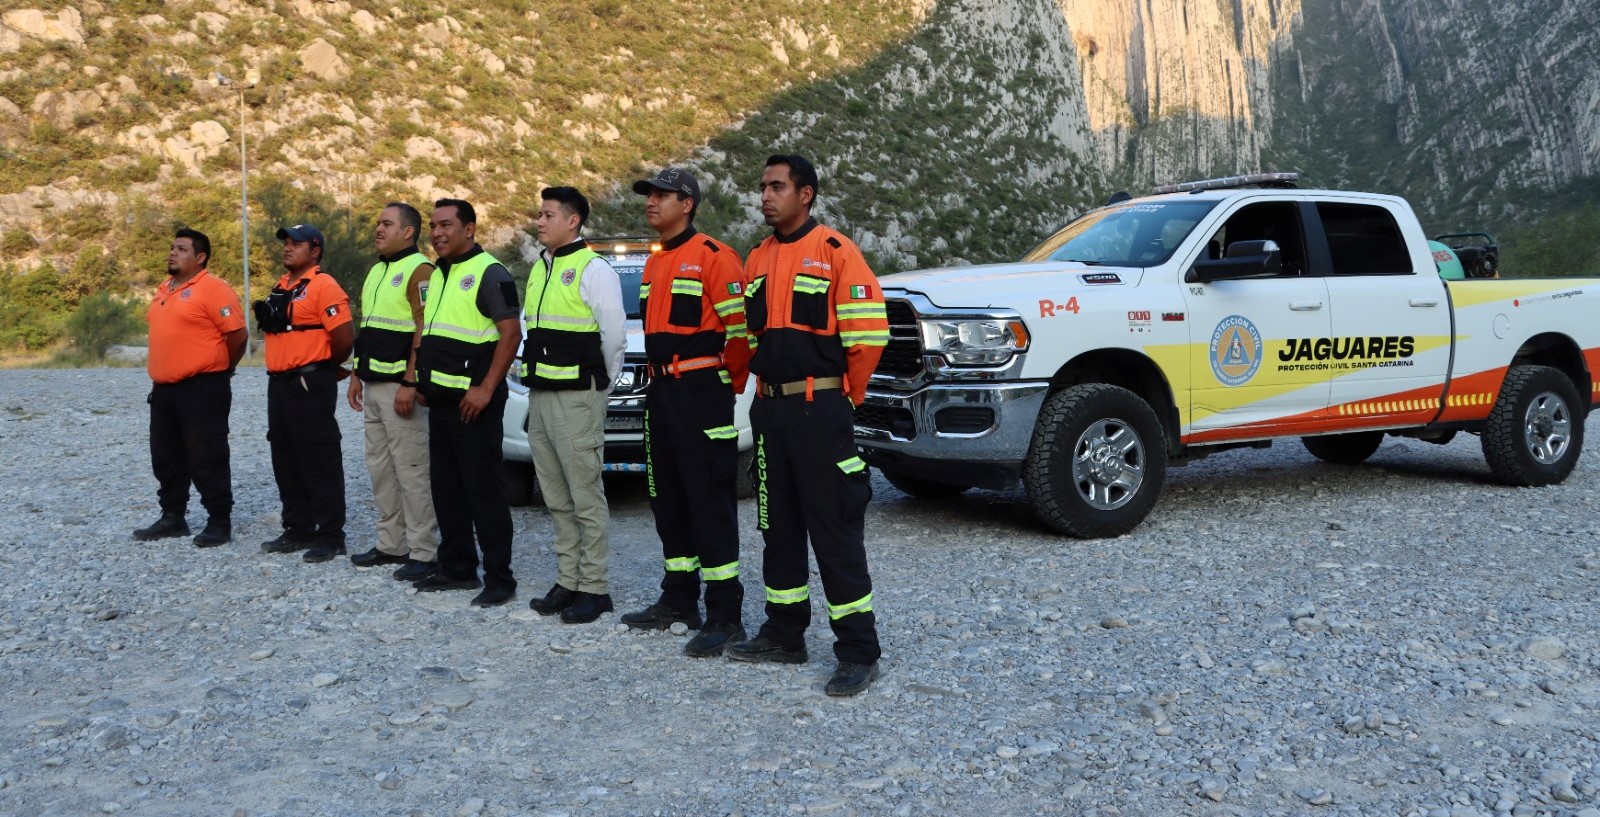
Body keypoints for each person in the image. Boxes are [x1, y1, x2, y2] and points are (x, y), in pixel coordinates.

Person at [725, 154, 890, 696]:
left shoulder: (836, 253)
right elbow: (748, 340)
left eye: (777, 186)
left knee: (834, 528)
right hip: (770, 411)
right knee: (778, 527)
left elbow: (867, 338)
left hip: (819, 412)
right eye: (762, 186)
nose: (765, 196)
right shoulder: (758, 258)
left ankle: (858, 651)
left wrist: (840, 399)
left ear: (807, 195)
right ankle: (784, 634)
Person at [619, 167, 751, 656]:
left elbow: (740, 335)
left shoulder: (715, 257)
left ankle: (724, 614)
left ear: (688, 203)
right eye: (649, 195)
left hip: (701, 391)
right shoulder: (655, 263)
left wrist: (724, 386)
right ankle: (679, 600)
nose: (651, 202)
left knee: (709, 501)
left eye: (662, 195)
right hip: (662, 393)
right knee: (667, 498)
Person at [522, 186, 626, 624]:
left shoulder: (592, 268)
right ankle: (568, 581)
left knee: (585, 494)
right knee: (556, 496)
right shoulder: (540, 267)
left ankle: (595, 587)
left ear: (573, 221)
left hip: (578, 397)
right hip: (542, 395)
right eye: (539, 214)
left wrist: (599, 387)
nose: (539, 221)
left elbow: (614, 337)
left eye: (548, 215)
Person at [412, 199, 522, 607]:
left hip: (475, 405)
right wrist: (422, 381)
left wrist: (486, 388)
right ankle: (457, 568)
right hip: (441, 405)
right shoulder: (439, 273)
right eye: (433, 225)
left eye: (446, 225)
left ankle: (499, 579)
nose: (437, 233)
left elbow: (510, 334)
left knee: (485, 493)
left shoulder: (490, 272)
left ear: (470, 229)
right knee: (447, 491)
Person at [134, 228, 247, 547]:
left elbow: (237, 335)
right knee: (165, 455)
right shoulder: (164, 289)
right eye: (172, 247)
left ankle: (219, 521)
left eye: (181, 249)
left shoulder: (214, 289)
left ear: (200, 258)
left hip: (202, 386)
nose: (173, 252)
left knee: (206, 454)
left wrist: (225, 368)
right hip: (164, 389)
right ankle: (173, 517)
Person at [346, 202, 440, 581]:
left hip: (401, 389)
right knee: (381, 469)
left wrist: (410, 381)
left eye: (387, 224)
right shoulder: (376, 272)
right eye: (377, 223)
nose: (378, 230)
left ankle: (423, 551)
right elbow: (366, 329)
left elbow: (424, 327)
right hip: (373, 385)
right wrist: (356, 373)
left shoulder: (420, 270)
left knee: (413, 471)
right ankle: (391, 544)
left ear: (409, 232)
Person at [257, 224, 354, 563]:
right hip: (280, 382)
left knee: (319, 458)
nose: (287, 247)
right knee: (285, 456)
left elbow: (343, 336)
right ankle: (297, 528)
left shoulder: (323, 285)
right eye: (285, 242)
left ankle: (330, 535)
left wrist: (325, 367)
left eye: (296, 243)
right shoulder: (282, 286)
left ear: (315, 250)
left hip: (309, 381)